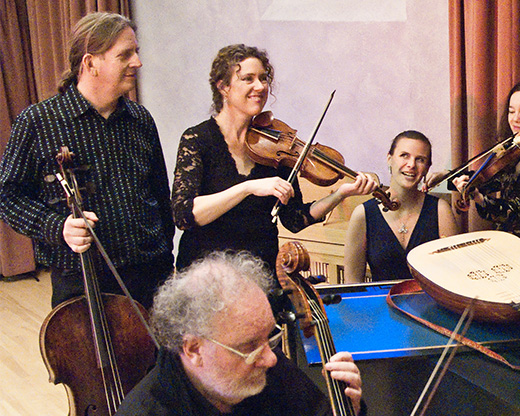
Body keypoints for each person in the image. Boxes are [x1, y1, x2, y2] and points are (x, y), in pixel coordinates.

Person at [104, 251, 373, 416]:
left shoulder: (272, 369)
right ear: (194, 349)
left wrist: (349, 410)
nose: (269, 358)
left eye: (269, 337)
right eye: (248, 347)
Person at [0, 12, 173, 309]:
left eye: (137, 52)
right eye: (125, 55)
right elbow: (7, 196)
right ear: (90, 63)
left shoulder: (140, 119)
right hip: (83, 279)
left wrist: (165, 252)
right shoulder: (39, 122)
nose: (137, 63)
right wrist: (57, 227)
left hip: (150, 275)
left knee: (159, 357)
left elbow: (159, 193)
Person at [171, 44, 378, 276]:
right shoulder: (197, 139)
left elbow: (295, 219)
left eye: (263, 78)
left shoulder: (275, 146)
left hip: (259, 272)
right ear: (224, 87)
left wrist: (340, 194)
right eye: (248, 79)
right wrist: (248, 187)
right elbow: (184, 215)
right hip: (206, 274)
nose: (260, 87)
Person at [454, 81, 520, 256]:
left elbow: (514, 210)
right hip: (505, 242)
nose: (515, 119)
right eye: (511, 111)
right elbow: (489, 180)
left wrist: (479, 198)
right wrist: (450, 178)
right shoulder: (516, 149)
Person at [342, 130, 458, 282]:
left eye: (420, 159)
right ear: (389, 159)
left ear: (428, 167)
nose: (411, 165)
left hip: (430, 304)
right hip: (381, 304)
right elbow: (352, 284)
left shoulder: (441, 210)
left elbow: (454, 277)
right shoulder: (363, 214)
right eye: (404, 155)